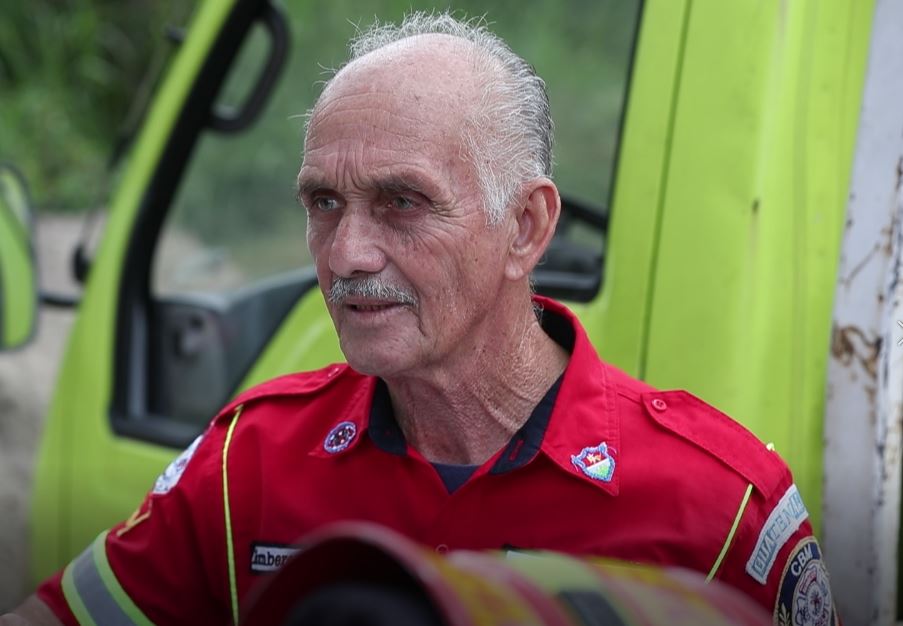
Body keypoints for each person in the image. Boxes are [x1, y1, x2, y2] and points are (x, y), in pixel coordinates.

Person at [4, 12, 836, 626]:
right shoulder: (248, 462)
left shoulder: (718, 506)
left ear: (526, 227)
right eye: (323, 203)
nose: (346, 254)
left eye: (401, 202)